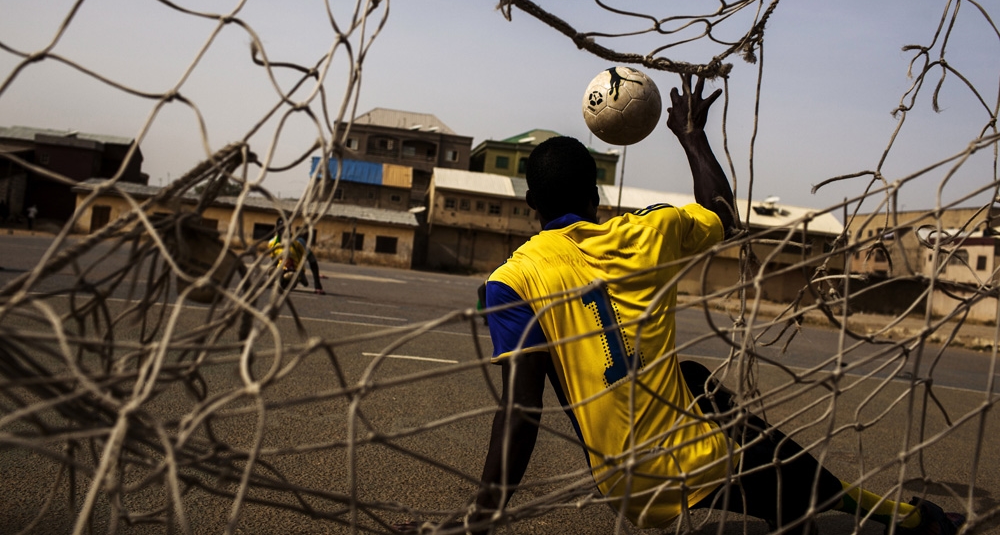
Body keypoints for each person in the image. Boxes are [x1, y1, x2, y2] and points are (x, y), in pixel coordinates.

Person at [400, 76, 965, 534]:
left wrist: (477, 519)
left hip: (626, 485)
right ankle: (909, 519)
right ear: (595, 195)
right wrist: (691, 135)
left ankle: (798, 509)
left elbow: (521, 412)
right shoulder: (650, 233)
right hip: (696, 461)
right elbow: (722, 213)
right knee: (808, 487)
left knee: (693, 376)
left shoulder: (511, 280)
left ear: (531, 203)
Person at [268, 218, 325, 295]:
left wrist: (317, 285)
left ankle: (300, 277)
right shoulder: (272, 243)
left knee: (288, 277)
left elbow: (312, 260)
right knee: (272, 270)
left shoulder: (298, 242)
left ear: (290, 228)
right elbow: (274, 261)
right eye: (281, 228)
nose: (283, 231)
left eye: (286, 228)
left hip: (294, 272)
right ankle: (277, 281)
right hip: (281, 270)